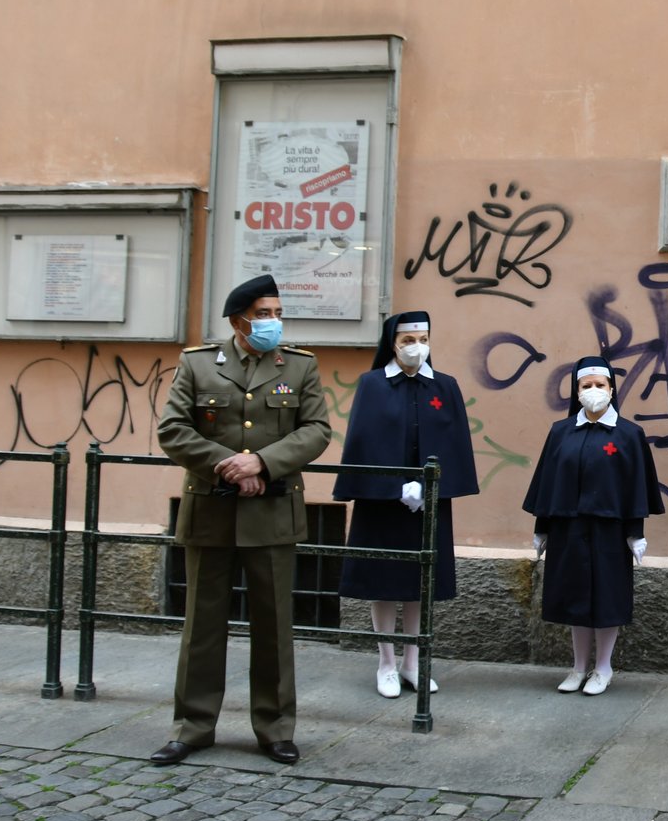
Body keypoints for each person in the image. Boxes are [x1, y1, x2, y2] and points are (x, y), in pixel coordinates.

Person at [152, 274, 331, 766]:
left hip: (272, 513)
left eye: (277, 312)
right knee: (201, 627)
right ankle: (192, 727)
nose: (274, 321)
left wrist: (262, 463)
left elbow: (316, 430)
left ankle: (274, 727)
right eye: (264, 313)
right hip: (211, 510)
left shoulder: (298, 367)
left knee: (273, 626)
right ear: (238, 320)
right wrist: (227, 465)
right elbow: (172, 429)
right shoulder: (197, 365)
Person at [334, 311, 479, 698]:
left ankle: (413, 662)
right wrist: (395, 486)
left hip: (428, 504)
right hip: (383, 502)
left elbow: (455, 444)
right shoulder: (372, 384)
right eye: (408, 340)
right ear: (392, 343)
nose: (417, 347)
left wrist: (430, 488)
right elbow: (364, 441)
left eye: (423, 339)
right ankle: (385, 662)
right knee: (383, 583)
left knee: (420, 584)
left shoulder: (444, 386)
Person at [523, 355, 662, 697]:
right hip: (568, 528)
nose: (594, 391)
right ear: (577, 390)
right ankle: (577, 667)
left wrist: (636, 532)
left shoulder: (629, 434)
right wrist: (542, 528)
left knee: (606, 599)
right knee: (575, 600)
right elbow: (548, 483)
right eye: (587, 386)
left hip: (609, 532)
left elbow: (636, 486)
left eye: (601, 385)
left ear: (612, 390)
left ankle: (603, 667)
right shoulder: (561, 432)